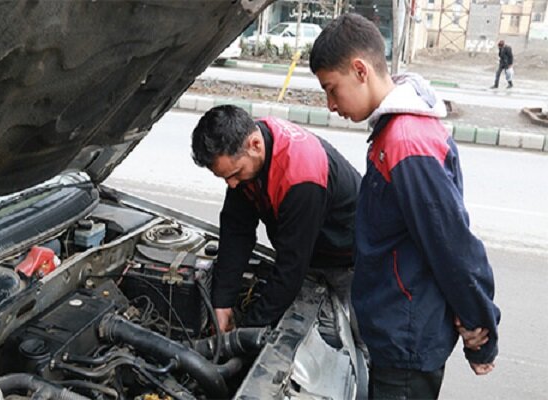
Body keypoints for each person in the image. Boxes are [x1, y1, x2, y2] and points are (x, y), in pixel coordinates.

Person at [310, 14, 501, 399]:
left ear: (360, 70)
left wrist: (481, 332)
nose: (330, 105)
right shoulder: (396, 130)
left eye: (332, 89)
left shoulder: (405, 144)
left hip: (407, 340)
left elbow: (452, 246)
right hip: (396, 328)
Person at [191, 105, 362, 331]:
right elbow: (236, 232)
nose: (232, 184)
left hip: (349, 261)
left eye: (234, 174)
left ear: (255, 145)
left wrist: (248, 332)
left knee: (356, 341)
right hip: (307, 253)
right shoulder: (249, 145)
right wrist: (222, 302)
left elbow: (291, 267)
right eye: (224, 178)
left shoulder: (301, 175)